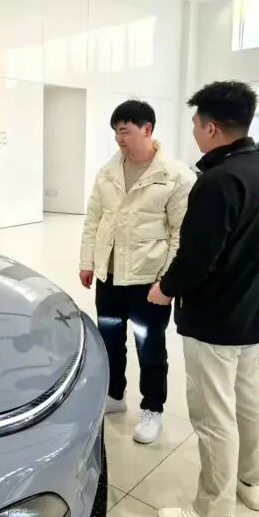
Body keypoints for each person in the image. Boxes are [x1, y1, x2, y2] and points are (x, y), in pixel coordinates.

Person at [146, 81, 259, 517]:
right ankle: (252, 482)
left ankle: (214, 513)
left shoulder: (219, 181)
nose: (193, 132)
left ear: (211, 128)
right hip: (254, 311)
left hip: (217, 316)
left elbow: (197, 257)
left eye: (195, 124)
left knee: (213, 414)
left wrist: (165, 289)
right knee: (249, 399)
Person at [79, 99, 194, 444]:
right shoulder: (108, 171)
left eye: (125, 131)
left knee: (150, 346)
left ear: (147, 129)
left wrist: (167, 281)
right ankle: (115, 394)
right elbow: (93, 219)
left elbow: (181, 234)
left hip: (148, 281)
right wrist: (88, 262)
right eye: (116, 132)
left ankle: (152, 408)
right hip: (110, 277)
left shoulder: (175, 176)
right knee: (110, 339)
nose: (119, 139)